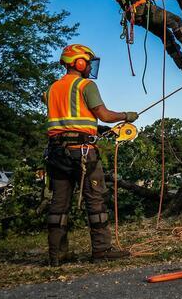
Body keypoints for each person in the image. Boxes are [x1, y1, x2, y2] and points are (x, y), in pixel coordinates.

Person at [44, 44, 139, 266]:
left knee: (58, 204)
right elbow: (103, 115)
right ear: (78, 62)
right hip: (83, 154)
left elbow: (69, 119)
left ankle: (57, 255)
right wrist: (127, 115)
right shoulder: (86, 85)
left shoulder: (50, 90)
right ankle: (101, 250)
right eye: (87, 62)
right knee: (95, 200)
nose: (89, 67)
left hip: (56, 153)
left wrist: (96, 130)